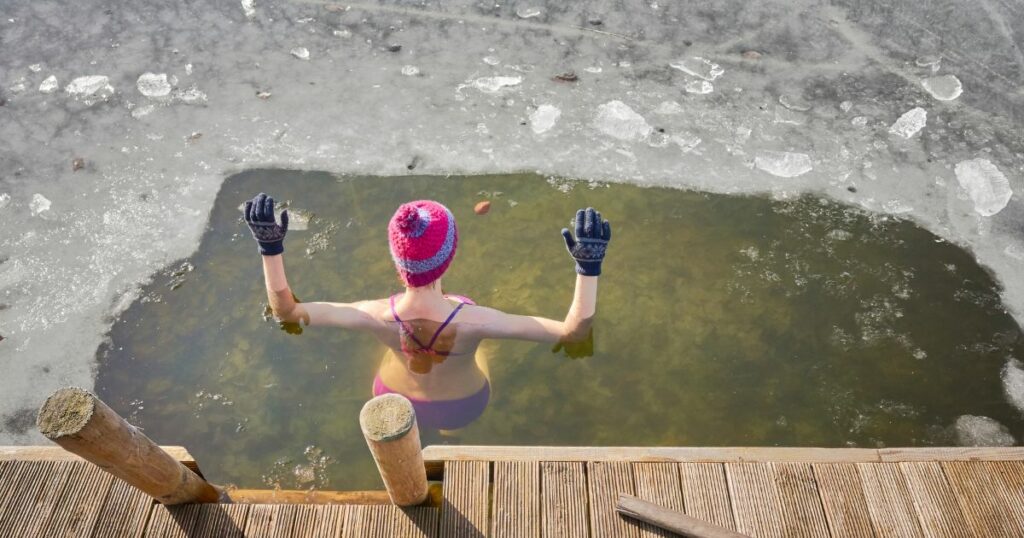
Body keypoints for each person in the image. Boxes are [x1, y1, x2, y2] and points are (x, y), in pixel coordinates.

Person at [243, 193, 610, 432]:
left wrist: (269, 247)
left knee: (390, 345)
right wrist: (587, 270)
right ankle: (448, 434)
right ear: (449, 256)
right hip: (462, 408)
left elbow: (287, 313)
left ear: (397, 261)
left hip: (392, 401)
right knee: (484, 349)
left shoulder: (371, 314)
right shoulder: (478, 321)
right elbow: (573, 333)